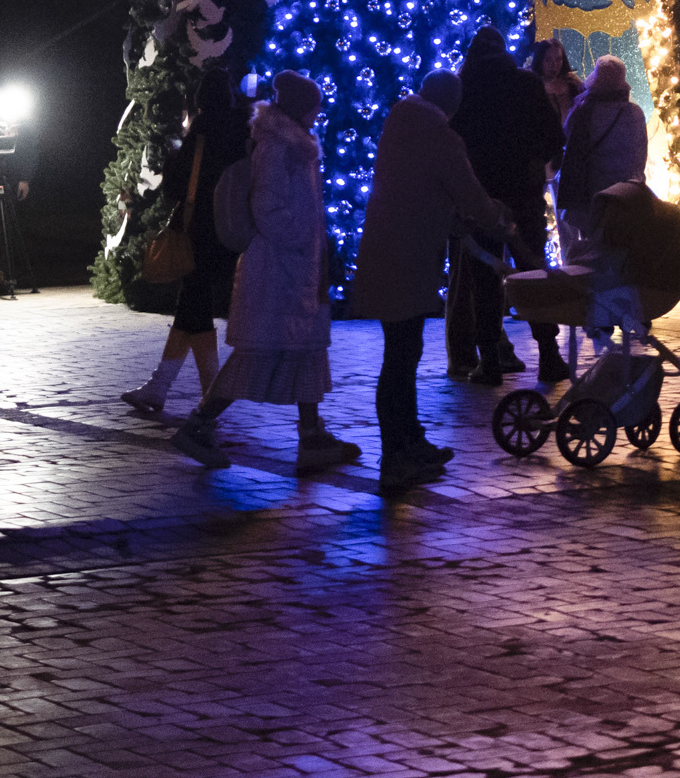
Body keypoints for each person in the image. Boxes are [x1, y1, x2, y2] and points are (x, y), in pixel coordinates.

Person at [174, 73, 356, 471]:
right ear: (299, 108)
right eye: (314, 105)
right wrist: (302, 238)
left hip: (295, 270)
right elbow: (268, 207)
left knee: (306, 350)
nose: (318, 112)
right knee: (257, 355)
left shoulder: (296, 146)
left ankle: (312, 435)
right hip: (277, 272)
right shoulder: (279, 147)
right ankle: (198, 424)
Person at [339, 71, 510, 484]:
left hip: (385, 250)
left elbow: (417, 187)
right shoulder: (440, 135)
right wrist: (498, 222)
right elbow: (466, 189)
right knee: (401, 357)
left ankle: (409, 440)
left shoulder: (398, 123)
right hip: (410, 257)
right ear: (452, 104)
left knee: (402, 351)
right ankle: (396, 455)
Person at [126, 64, 250, 420]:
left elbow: (176, 185)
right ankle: (161, 387)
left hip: (198, 230)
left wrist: (172, 155)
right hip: (228, 232)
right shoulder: (242, 130)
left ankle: (207, 393)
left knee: (194, 310)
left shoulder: (202, 129)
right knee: (192, 310)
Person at [447, 29, 566, 387]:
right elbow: (554, 136)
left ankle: (490, 362)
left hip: (482, 197)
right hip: (524, 194)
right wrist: (534, 163)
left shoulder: (462, 90)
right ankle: (548, 354)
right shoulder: (526, 84)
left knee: (484, 279)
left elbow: (454, 144)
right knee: (532, 271)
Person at [555, 56, 648, 268]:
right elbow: (639, 155)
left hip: (590, 192)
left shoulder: (583, 112)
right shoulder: (634, 113)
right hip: (623, 193)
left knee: (589, 247)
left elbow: (567, 138)